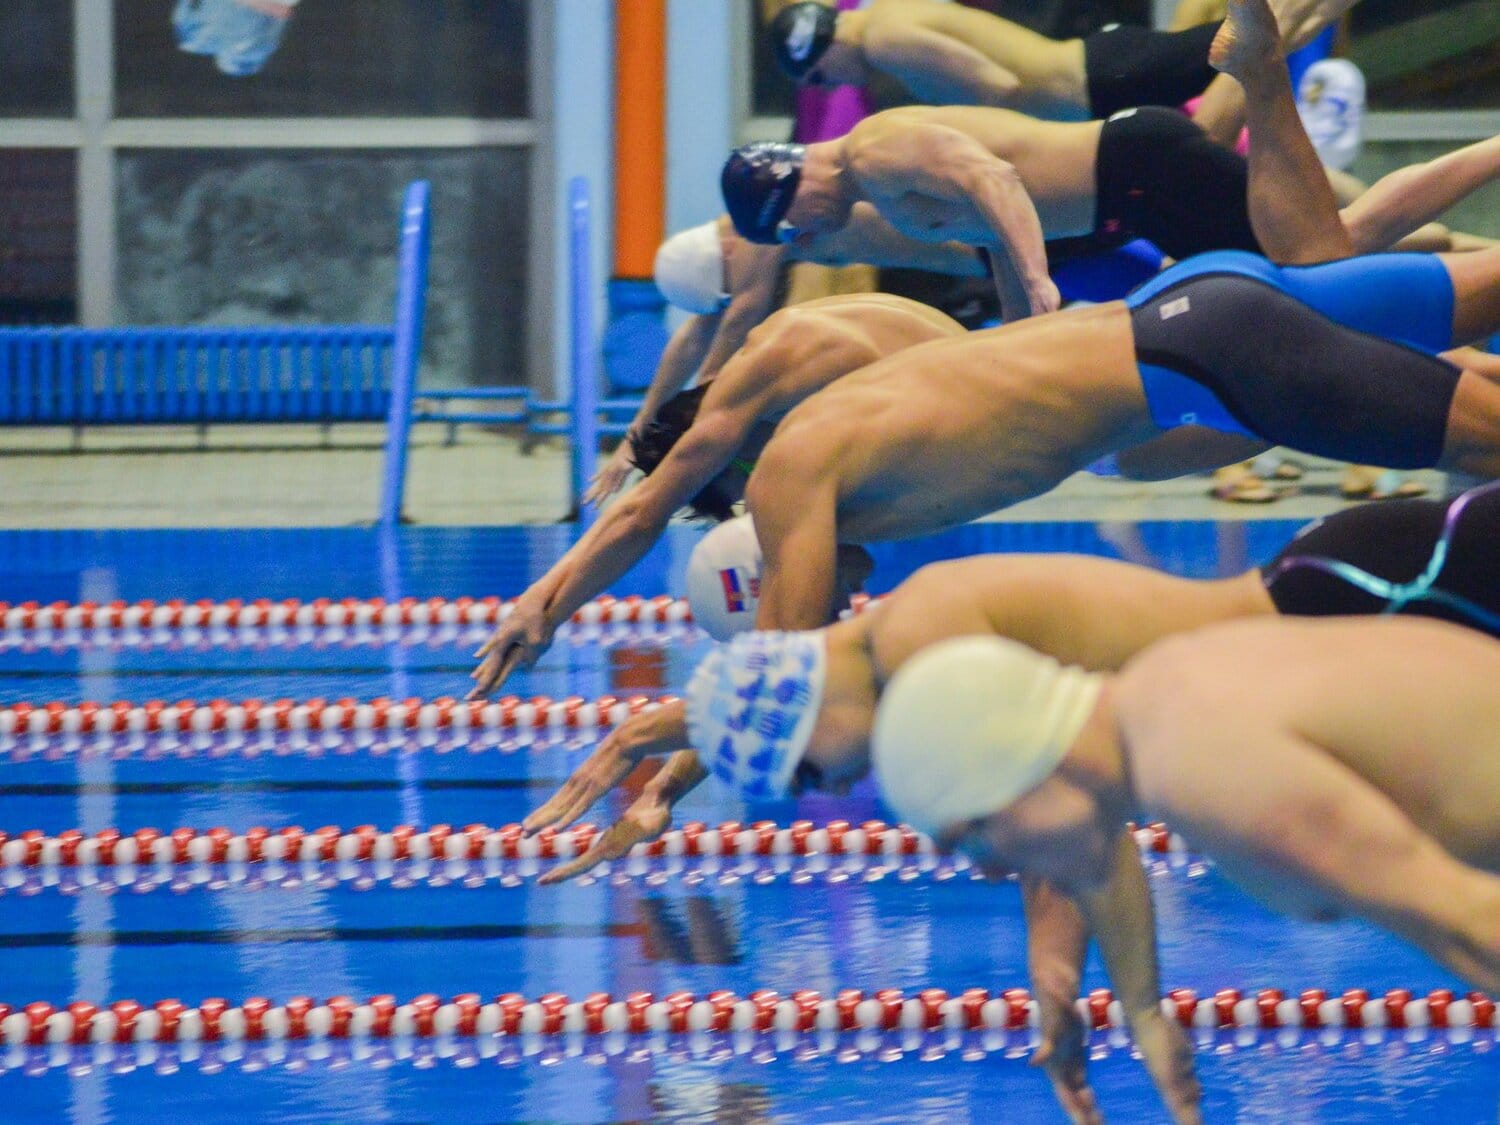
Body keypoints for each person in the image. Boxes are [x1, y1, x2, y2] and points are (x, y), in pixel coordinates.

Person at [523, 478, 1500, 1121]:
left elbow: (1055, 814)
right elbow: (1082, 821)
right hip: (1334, 599)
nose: (838, 791)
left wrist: (1062, 971)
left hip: (1385, 584)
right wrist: (1132, 1005)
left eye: (813, 774)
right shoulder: (1136, 729)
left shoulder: (935, 653)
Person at [870, 614, 1500, 999]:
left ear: (1014, 774)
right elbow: (1446, 930)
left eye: (976, 839)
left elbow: (1475, 919)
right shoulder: (1162, 691)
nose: (993, 871)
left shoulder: (1196, 763)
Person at [724, 24, 1500, 322]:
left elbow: (996, 182)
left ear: (794, 188)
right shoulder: (873, 181)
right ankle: (1467, 248)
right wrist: (1017, 330)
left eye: (793, 224)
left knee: (1322, 249)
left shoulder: (874, 152)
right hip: (1132, 193)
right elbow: (990, 230)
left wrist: (1039, 281)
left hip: (1141, 167)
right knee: (1325, 249)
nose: (806, 235)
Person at [468, 293, 963, 698]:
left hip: (968, 416)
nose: (758, 486)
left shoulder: (757, 378)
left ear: (714, 451)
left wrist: (547, 607)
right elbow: (854, 567)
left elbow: (641, 515)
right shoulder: (788, 378)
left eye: (743, 480)